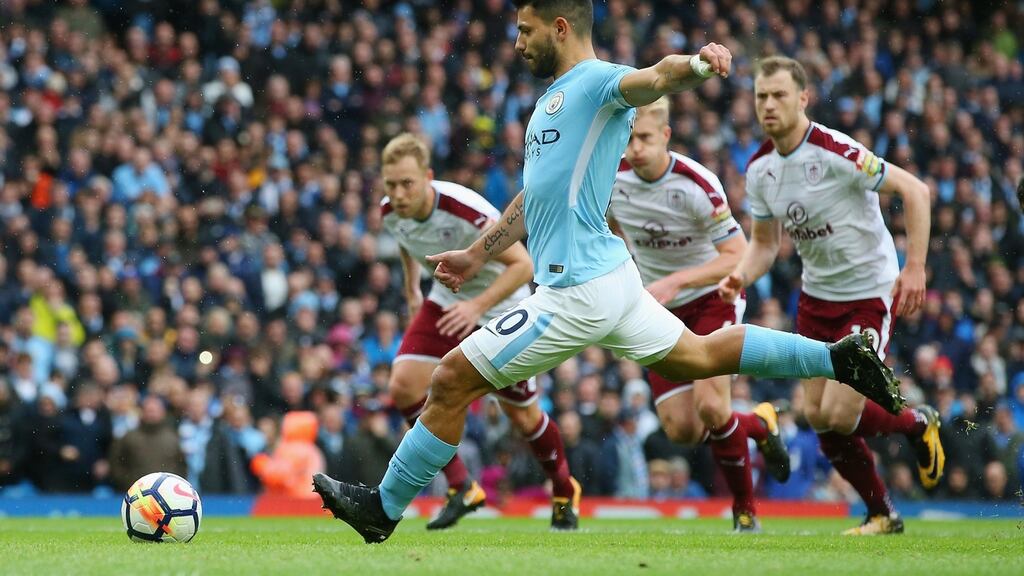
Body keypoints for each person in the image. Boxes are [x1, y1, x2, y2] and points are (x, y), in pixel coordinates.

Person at [314, 0, 902, 544]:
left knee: (446, 381)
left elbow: (654, 78)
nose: (517, 43)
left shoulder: (595, 83)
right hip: (611, 278)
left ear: (560, 27)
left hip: (576, 290)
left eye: (526, 30)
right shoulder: (553, 99)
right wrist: (476, 254)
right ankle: (838, 358)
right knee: (699, 356)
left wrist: (698, 64)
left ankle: (383, 510)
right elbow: (535, 195)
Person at [717, 56, 943, 535]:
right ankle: (882, 513)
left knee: (841, 413)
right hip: (816, 298)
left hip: (868, 292)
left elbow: (915, 191)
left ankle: (917, 422)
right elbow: (764, 244)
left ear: (803, 98)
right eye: (761, 96)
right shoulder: (759, 168)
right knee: (819, 419)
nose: (768, 105)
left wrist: (916, 267)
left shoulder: (835, 150)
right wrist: (740, 275)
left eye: (779, 95)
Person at [377, 133, 579, 530]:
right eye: (390, 185)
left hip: (501, 306)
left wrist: (476, 307)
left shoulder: (461, 211)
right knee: (403, 386)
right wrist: (412, 292)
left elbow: (522, 266)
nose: (398, 194)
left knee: (523, 419)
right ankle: (461, 485)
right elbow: (406, 240)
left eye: (407, 184)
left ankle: (562, 487)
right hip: (446, 299)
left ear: (428, 177)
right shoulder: (390, 211)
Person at [608, 96, 789, 532]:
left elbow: (737, 255)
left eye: (645, 138)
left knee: (711, 406)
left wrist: (675, 281)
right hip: (659, 309)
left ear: (666, 136)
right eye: (628, 139)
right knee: (682, 430)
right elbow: (611, 231)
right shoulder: (612, 181)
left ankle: (744, 508)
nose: (635, 148)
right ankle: (758, 425)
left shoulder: (696, 184)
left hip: (712, 298)